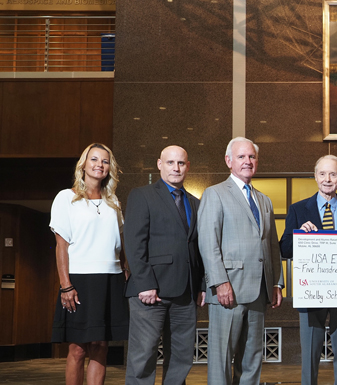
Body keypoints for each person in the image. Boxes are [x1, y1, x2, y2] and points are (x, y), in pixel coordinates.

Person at [197, 137, 284, 385]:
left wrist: (277, 283)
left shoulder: (264, 200)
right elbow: (208, 243)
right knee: (221, 359)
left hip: (259, 291)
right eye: (241, 157)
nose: (248, 161)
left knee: (252, 359)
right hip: (229, 290)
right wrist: (219, 282)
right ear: (228, 161)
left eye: (252, 157)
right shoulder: (214, 194)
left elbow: (272, 245)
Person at [279, 155, 337, 385]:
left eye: (333, 174)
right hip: (311, 293)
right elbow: (284, 249)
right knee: (309, 356)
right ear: (315, 177)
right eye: (322, 174)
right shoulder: (298, 210)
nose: (328, 179)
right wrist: (299, 234)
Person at [123, 145, 205, 385]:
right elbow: (134, 243)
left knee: (181, 358)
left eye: (181, 163)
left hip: (186, 294)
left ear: (188, 167)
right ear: (160, 164)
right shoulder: (142, 195)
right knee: (143, 357)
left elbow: (198, 249)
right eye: (170, 163)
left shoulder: (196, 203)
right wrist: (145, 283)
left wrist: (200, 285)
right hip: (150, 292)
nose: (176, 168)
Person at [49, 143, 130, 385]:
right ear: (83, 164)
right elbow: (61, 246)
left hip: (111, 280)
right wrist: (66, 285)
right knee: (78, 349)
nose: (99, 165)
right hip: (80, 281)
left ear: (110, 167)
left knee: (101, 346)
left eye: (105, 161)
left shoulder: (113, 200)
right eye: (94, 159)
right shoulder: (66, 197)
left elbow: (119, 244)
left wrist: (125, 272)